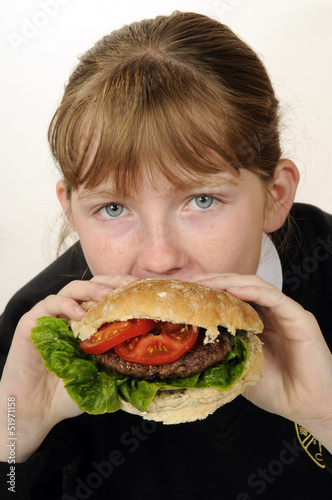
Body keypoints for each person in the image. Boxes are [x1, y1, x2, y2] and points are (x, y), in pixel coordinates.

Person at [1, 10, 332, 499]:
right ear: (70, 210)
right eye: (113, 207)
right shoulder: (34, 339)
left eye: (202, 200)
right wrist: (12, 438)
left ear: (276, 195)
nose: (158, 260)